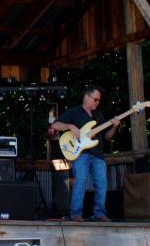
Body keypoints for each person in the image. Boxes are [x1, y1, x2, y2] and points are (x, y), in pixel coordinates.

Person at [50, 85, 120, 221]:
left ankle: (99, 213)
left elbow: (107, 136)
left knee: (102, 183)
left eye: (99, 100)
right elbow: (55, 125)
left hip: (98, 155)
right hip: (81, 154)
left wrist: (115, 126)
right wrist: (70, 126)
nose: (97, 102)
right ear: (87, 97)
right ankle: (76, 214)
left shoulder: (99, 115)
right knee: (80, 181)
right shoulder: (74, 112)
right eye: (95, 99)